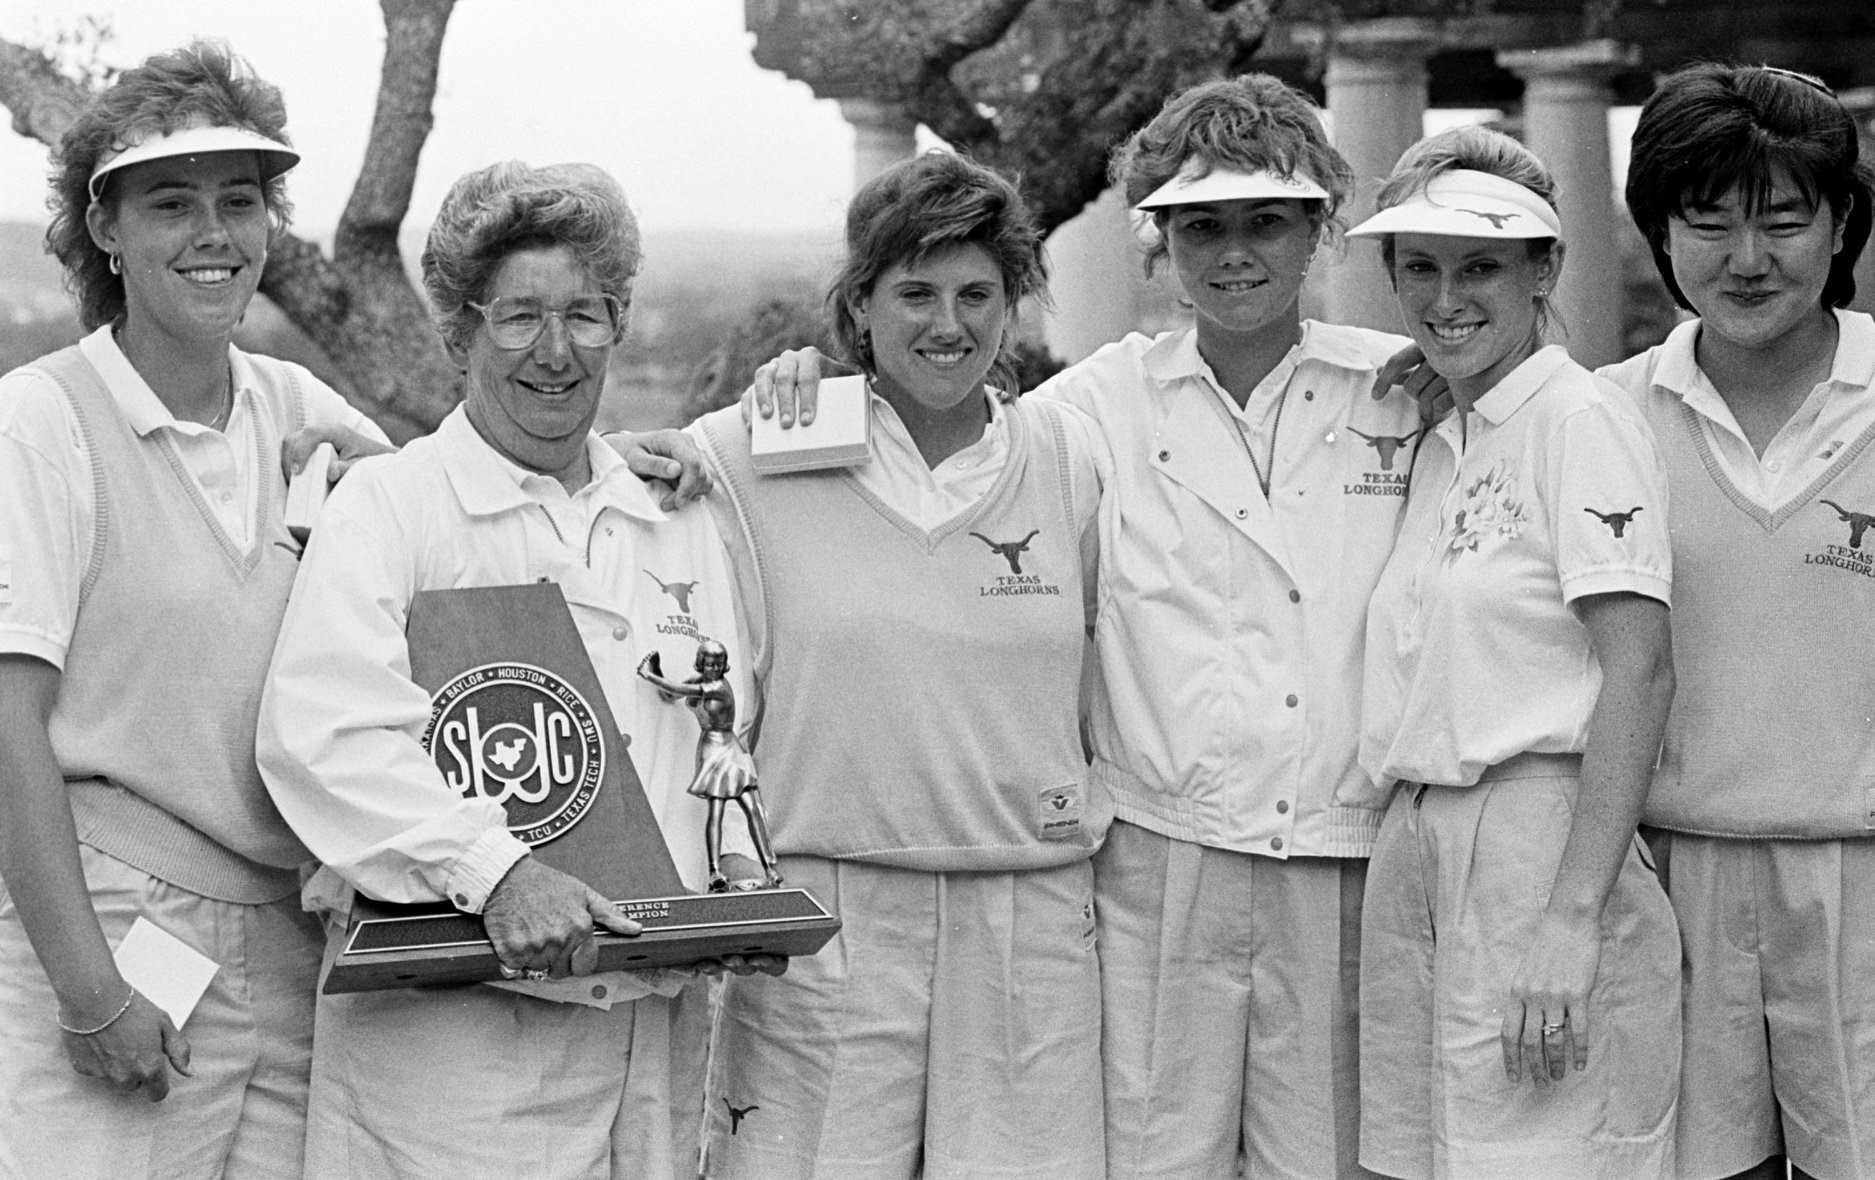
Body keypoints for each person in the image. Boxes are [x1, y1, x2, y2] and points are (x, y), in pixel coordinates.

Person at [732, 75, 1424, 1179]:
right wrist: (816, 382)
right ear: (1157, 238)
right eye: (1202, 225)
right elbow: (938, 427)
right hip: (1157, 860)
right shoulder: (1088, 408)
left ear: (1319, 231)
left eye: (1267, 223)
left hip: (1342, 855)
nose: (1234, 252)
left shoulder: (1408, 395)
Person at [255, 160, 771, 1180]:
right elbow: (325, 735)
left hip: (645, 1032)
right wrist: (496, 874)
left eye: (585, 313)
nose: (556, 350)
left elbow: (723, 730)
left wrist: (729, 896)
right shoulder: (393, 507)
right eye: (518, 316)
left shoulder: (675, 515)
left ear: (621, 322)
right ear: (457, 332)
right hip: (458, 1058)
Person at [0, 42, 389, 1179]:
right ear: (105, 230)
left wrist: (646, 464)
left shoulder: (296, 402)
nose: (216, 235)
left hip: (295, 939)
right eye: (171, 203)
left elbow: (468, 530)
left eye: (240, 200)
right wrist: (87, 989)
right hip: (119, 929)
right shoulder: (41, 422)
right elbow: (7, 723)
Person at [686, 150, 1111, 1180]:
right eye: (913, 292)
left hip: (1028, 906)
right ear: (859, 306)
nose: (947, 323)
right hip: (824, 909)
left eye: (977, 294)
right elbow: (593, 488)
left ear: (1014, 307)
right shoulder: (759, 448)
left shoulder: (1072, 460)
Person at [1348, 125, 1680, 1179]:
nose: (1446, 296)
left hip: (1539, 842)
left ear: (1545, 268)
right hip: (1418, 840)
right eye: (1421, 268)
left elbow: (1640, 667)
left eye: (1481, 266)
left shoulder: (1578, 422)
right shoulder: (1452, 432)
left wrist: (1570, 919)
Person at [1603, 63, 1875, 1180]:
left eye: (1781, 219)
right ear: (1660, 234)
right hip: (1674, 880)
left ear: (1843, 220)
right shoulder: (1603, 416)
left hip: (1862, 880)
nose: (1747, 259)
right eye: (1708, 222)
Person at [637, 640, 782, 891]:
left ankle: (769, 867)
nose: (713, 667)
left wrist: (649, 675)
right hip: (712, 749)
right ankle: (714, 870)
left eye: (718, 663)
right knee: (715, 810)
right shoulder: (698, 681)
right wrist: (660, 677)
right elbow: (673, 693)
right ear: (701, 662)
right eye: (708, 663)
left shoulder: (717, 686)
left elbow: (676, 688)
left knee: (751, 807)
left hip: (729, 748)